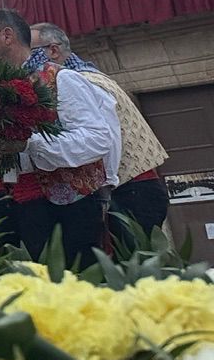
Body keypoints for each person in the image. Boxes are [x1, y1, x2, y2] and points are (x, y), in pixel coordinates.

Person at [0, 8, 119, 266]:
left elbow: (98, 139)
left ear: (7, 36)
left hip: (71, 210)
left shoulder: (62, 79)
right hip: (19, 206)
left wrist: (31, 144)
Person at [34, 22, 170, 240]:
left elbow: (106, 138)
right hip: (134, 188)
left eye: (30, 52)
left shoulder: (82, 82)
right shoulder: (90, 75)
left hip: (129, 190)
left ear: (53, 51)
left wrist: (105, 191)